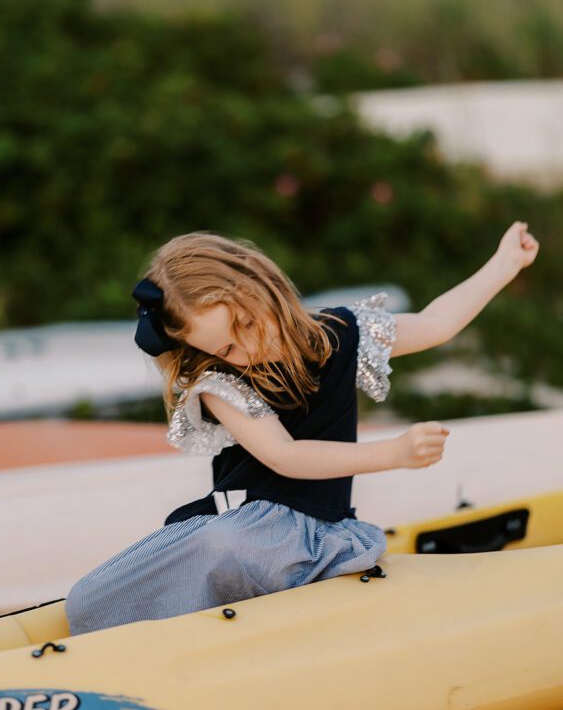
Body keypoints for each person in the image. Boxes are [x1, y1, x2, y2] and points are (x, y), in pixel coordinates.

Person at [65, 222, 539, 635]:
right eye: (226, 348)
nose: (246, 351)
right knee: (88, 599)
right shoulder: (217, 383)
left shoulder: (341, 334)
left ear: (260, 284)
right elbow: (285, 456)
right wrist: (391, 454)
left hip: (319, 534)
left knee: (220, 545)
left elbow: (437, 324)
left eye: (247, 325)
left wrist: (504, 263)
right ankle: (149, 640)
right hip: (250, 535)